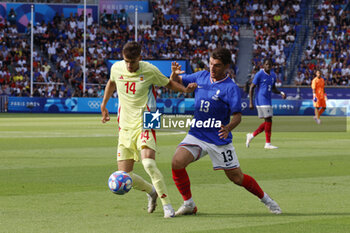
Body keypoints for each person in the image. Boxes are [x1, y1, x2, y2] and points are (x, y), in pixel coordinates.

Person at [170, 48, 282, 216]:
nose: (212, 69)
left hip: (219, 139)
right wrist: (174, 74)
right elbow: (175, 81)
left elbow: (237, 116)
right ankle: (189, 204)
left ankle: (267, 200)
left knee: (237, 178)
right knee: (176, 162)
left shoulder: (231, 88)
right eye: (210, 64)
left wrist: (228, 128)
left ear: (227, 66)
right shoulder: (201, 76)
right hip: (197, 134)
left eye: (217, 66)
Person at [100, 41, 197, 218]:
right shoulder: (116, 68)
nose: (129, 66)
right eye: (126, 61)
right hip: (125, 125)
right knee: (125, 174)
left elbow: (168, 83)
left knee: (148, 163)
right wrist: (104, 104)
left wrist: (185, 90)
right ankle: (152, 191)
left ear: (140, 58)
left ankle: (167, 205)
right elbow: (111, 83)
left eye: (133, 62)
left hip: (148, 119)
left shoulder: (149, 70)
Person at [246, 58, 286, 149]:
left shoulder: (273, 75)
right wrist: (250, 102)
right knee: (268, 120)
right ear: (263, 65)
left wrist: (281, 93)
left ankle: (251, 135)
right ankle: (267, 143)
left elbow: (273, 88)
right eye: (266, 64)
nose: (268, 66)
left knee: (268, 121)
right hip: (261, 99)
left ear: (272, 66)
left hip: (268, 100)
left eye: (269, 64)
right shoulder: (259, 74)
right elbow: (252, 87)